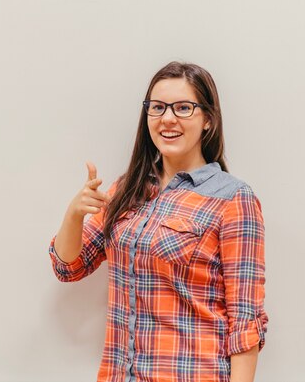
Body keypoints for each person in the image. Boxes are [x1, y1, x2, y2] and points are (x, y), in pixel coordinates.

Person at [48, 61, 268, 382]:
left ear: (208, 119)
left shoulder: (233, 199)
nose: (168, 118)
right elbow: (69, 267)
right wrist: (74, 214)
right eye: (158, 107)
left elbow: (245, 321)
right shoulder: (127, 190)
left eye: (183, 108)